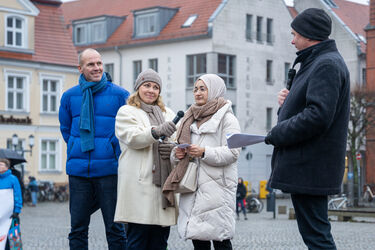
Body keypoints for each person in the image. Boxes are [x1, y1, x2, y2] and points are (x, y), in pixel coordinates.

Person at [264, 8, 350, 250]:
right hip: (310, 166)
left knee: (317, 237)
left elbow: (318, 116)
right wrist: (288, 102)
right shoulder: (320, 61)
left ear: (309, 35)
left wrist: (277, 134)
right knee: (315, 234)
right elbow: (313, 108)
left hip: (311, 166)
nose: (292, 40)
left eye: (295, 34)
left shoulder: (325, 64)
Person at [59, 48, 129, 250]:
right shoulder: (69, 96)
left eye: (99, 63)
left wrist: (110, 148)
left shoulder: (120, 95)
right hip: (78, 172)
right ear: (80, 68)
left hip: (109, 171)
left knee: (115, 229)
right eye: (91, 64)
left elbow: (128, 130)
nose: (97, 68)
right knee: (77, 229)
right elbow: (65, 129)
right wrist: (77, 146)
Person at [163, 74, 241, 250]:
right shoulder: (189, 118)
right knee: (198, 240)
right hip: (193, 188)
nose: (197, 93)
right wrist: (178, 154)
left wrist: (204, 152)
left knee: (221, 240)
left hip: (217, 190)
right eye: (195, 89)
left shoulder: (228, 119)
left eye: (203, 89)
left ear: (214, 90)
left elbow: (233, 152)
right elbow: (176, 152)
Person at [114, 68, 178, 250]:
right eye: (147, 85)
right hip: (139, 185)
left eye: (155, 87)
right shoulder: (126, 112)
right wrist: (156, 132)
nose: (151, 90)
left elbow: (177, 143)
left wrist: (172, 149)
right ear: (138, 88)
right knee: (137, 241)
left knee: (160, 242)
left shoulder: (168, 114)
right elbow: (133, 138)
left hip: (163, 187)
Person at [0, 158, 22, 250]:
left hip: (9, 216)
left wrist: (17, 210)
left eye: (1, 164)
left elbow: (17, 195)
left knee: (9, 240)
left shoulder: (13, 179)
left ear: (7, 167)